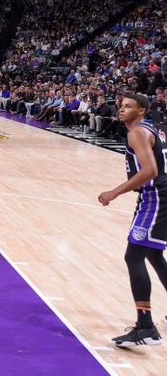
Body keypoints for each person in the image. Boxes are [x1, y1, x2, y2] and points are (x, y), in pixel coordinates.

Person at [98, 94, 167, 347]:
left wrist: (114, 192)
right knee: (153, 255)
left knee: (133, 256)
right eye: (121, 105)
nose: (121, 109)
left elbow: (150, 171)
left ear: (142, 111)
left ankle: (146, 327)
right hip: (161, 196)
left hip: (156, 197)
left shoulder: (137, 132)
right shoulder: (154, 129)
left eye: (128, 106)